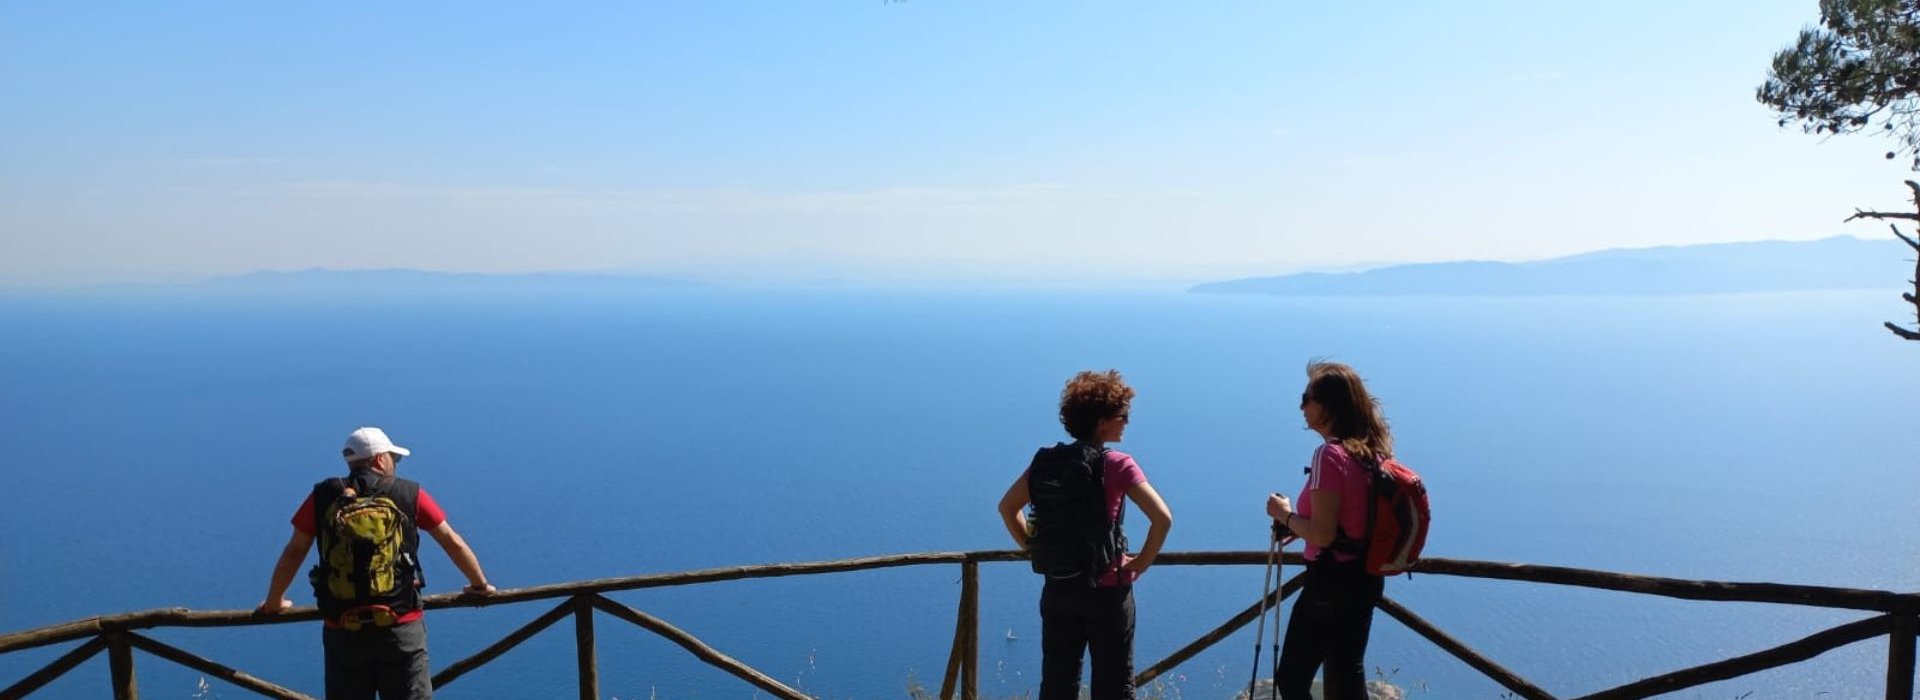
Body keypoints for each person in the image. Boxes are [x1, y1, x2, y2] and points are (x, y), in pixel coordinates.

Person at [256, 427, 496, 700]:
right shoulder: (409, 494)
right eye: (395, 458)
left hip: (344, 629)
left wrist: (274, 601)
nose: (396, 464)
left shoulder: (323, 497)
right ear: (380, 459)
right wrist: (479, 584)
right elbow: (451, 541)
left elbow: (294, 551)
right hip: (400, 625)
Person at [997, 370, 1174, 700]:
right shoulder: (1118, 465)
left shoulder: (1047, 462)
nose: (1127, 422)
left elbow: (1008, 508)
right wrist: (1140, 564)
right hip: (1107, 589)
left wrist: (1035, 550)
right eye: (1123, 415)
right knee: (1114, 687)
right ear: (1102, 422)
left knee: (1057, 684)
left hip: (1059, 586)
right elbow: (1162, 518)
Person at [1265, 362, 1392, 700]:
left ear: (1328, 405)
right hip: (1364, 579)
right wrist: (1296, 526)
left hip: (1330, 584)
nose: (1301, 406)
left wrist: (1284, 514)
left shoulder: (1329, 456)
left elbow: (1322, 535)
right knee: (1346, 677)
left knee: (1292, 679)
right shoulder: (1371, 454)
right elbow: (1346, 523)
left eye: (1307, 398)